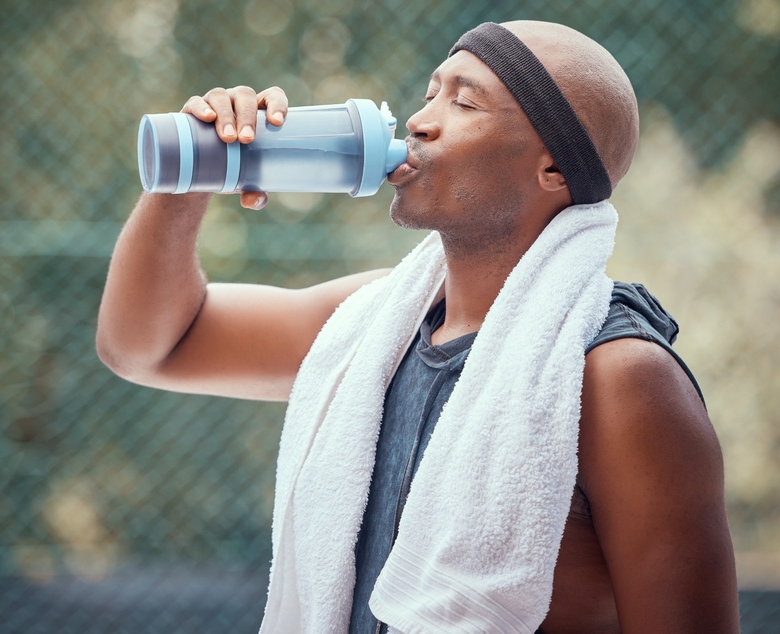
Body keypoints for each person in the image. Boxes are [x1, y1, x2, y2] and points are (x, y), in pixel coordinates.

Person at [96, 20, 739, 633]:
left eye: (465, 104)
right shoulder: (373, 327)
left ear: (553, 170)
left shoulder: (619, 378)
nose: (421, 121)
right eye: (430, 93)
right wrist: (187, 180)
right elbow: (150, 348)